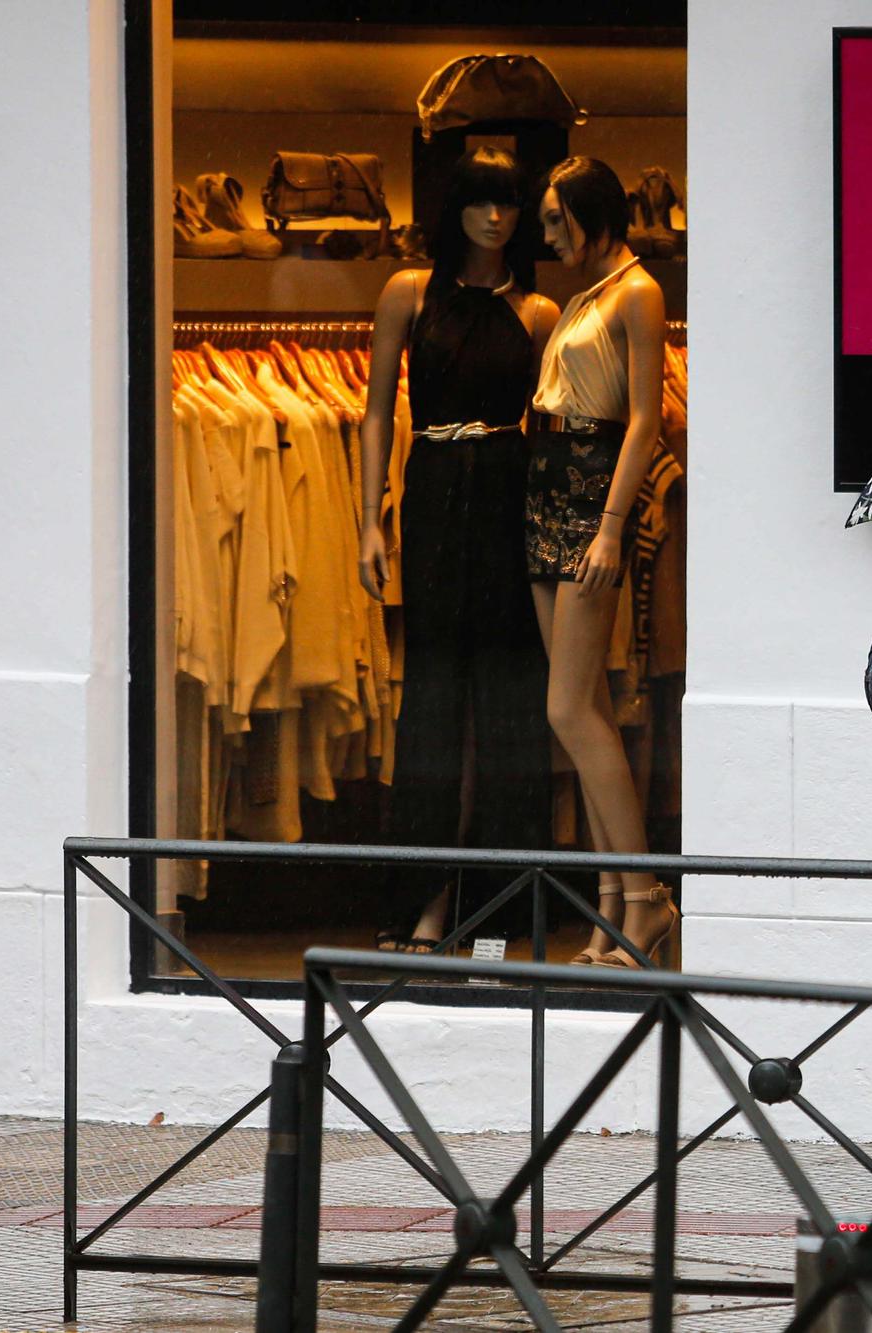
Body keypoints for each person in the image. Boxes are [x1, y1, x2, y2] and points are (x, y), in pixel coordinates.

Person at [357, 147, 558, 952]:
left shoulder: (540, 314)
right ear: (457, 209)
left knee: (509, 702)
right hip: (434, 488)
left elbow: (549, 432)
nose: (496, 217)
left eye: (509, 202)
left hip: (510, 492)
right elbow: (376, 411)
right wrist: (368, 516)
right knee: (434, 698)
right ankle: (424, 901)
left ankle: (500, 913)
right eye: (481, 201)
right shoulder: (409, 292)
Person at [527, 157, 681, 967]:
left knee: (571, 711)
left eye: (557, 219)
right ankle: (610, 909)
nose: (547, 235)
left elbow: (646, 419)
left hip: (592, 494)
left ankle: (647, 896)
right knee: (578, 706)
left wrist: (614, 524)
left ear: (590, 214)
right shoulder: (585, 296)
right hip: (549, 487)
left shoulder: (637, 292)